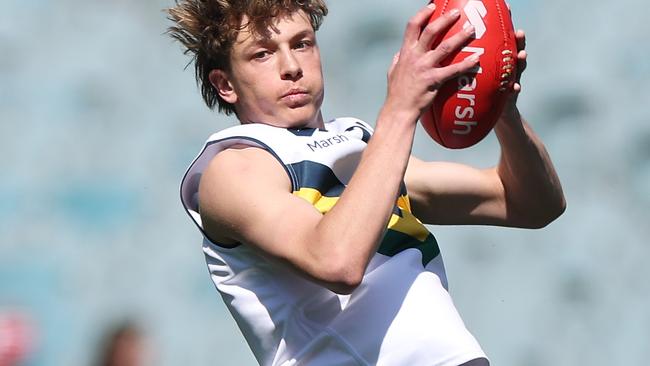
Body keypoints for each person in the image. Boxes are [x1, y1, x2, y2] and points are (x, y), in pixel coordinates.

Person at [169, 1, 565, 365]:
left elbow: (531, 203)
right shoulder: (232, 169)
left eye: (302, 43)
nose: (291, 66)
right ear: (225, 84)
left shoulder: (360, 144)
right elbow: (336, 262)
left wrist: (502, 110)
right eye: (262, 53)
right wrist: (401, 108)